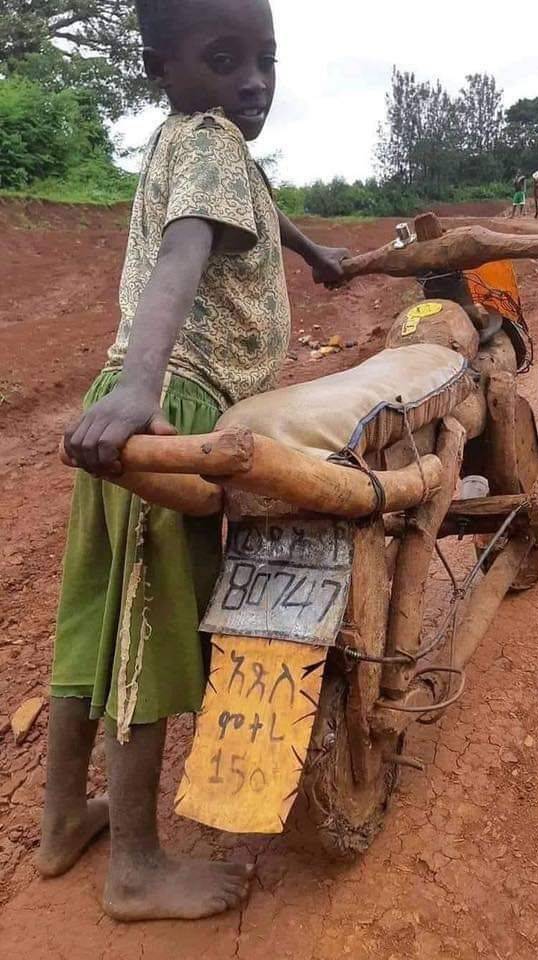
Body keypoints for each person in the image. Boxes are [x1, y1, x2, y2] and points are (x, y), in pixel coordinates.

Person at [36, 0, 349, 922]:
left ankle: (63, 822)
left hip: (143, 394)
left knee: (98, 618)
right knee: (150, 628)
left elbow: (254, 203)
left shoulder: (202, 141)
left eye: (266, 59)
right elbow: (186, 246)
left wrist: (314, 251)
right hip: (171, 406)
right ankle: (134, 866)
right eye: (224, 58)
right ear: (159, 69)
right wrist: (142, 392)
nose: (252, 80)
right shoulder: (211, 135)